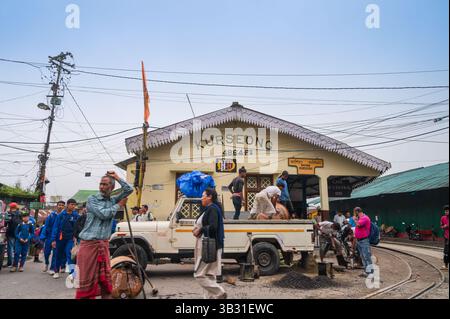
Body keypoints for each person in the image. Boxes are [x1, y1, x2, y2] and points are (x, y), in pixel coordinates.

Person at [76, 171, 132, 299]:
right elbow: (104, 214)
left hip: (103, 245)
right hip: (89, 245)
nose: (101, 186)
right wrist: (119, 205)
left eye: (105, 184)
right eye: (101, 184)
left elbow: (129, 189)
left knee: (106, 282)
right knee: (87, 280)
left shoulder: (112, 199)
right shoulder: (92, 199)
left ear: (111, 187)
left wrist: (117, 177)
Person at [192, 188, 226, 299]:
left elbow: (213, 227)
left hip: (209, 246)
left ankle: (219, 292)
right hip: (205, 244)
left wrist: (200, 230)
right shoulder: (208, 209)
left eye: (203, 195)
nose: (201, 198)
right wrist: (197, 230)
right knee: (209, 275)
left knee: (199, 274)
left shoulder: (213, 209)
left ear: (210, 196)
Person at [51, 198, 79, 279]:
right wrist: (53, 240)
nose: (73, 206)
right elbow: (55, 227)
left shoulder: (75, 215)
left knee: (70, 255)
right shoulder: (61, 215)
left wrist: (76, 237)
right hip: (60, 238)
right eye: (72, 204)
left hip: (70, 239)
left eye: (74, 205)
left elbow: (77, 227)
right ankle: (56, 271)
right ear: (68, 205)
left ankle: (72, 274)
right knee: (58, 255)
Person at [43, 201, 65, 274]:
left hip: (58, 238)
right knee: (46, 252)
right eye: (59, 205)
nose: (60, 206)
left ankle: (52, 268)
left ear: (64, 207)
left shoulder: (64, 216)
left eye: (62, 205)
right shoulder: (51, 215)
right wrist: (44, 236)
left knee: (55, 253)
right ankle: (46, 263)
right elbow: (46, 226)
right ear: (57, 206)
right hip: (49, 237)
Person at [354, 207, 373, 277]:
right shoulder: (360, 218)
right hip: (359, 240)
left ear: (356, 212)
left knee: (367, 256)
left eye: (355, 213)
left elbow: (358, 225)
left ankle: (370, 273)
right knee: (363, 256)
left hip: (364, 240)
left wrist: (355, 220)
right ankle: (366, 272)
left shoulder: (364, 218)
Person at [5, 202, 22, 268]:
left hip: (10, 232)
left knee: (10, 248)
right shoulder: (20, 213)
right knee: (16, 248)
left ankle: (10, 263)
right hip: (18, 233)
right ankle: (16, 263)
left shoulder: (9, 213)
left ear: (11, 207)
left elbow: (5, 223)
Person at [440, 205, 449, 270]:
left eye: (447, 211)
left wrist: (447, 226)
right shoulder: (443, 218)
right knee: (446, 252)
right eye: (445, 211)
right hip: (447, 237)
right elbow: (441, 226)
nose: (446, 212)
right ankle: (446, 266)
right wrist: (444, 226)